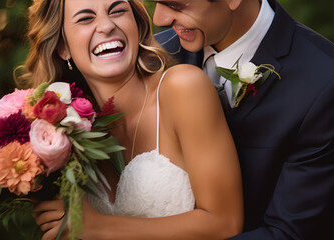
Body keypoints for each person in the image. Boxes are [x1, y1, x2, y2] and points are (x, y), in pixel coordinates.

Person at [151, 0, 334, 239]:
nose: (159, 19)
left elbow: (291, 234)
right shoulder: (153, 57)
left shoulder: (329, 88)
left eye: (176, 5)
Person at [23, 0, 243, 239]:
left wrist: (99, 227)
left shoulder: (183, 87)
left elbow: (225, 223)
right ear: (63, 46)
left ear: (137, 25)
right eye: (86, 18)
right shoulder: (58, 134)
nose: (106, 26)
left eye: (117, 11)